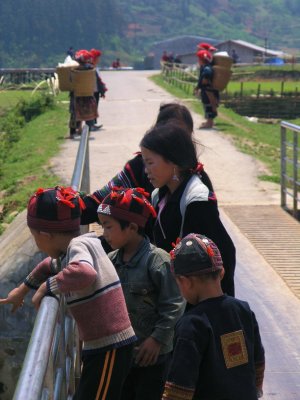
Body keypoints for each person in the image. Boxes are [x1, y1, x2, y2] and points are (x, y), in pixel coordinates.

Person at [0, 186, 137, 400]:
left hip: (110, 346)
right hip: (103, 346)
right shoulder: (77, 247)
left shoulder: (78, 247)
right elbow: (49, 265)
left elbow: (85, 272)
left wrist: (48, 286)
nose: (37, 244)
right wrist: (23, 289)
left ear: (45, 235)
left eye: (35, 237)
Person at [97, 187, 185, 400]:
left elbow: (174, 304)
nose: (104, 234)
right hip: (120, 355)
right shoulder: (110, 261)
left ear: (132, 227)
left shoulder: (158, 261)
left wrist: (157, 339)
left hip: (153, 357)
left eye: (108, 227)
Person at [162, 233, 265, 400]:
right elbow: (258, 361)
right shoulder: (243, 310)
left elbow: (179, 387)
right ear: (221, 272)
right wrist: (255, 390)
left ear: (185, 281)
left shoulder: (191, 325)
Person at [140, 122, 236, 296]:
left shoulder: (197, 201)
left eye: (150, 163)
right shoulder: (159, 195)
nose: (146, 171)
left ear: (173, 162)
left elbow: (215, 257)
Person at [80, 102, 197, 225]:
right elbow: (100, 203)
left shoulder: (196, 182)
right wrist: (66, 208)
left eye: (183, 137)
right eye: (172, 135)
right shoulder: (137, 168)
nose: (179, 143)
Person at [68, 49, 98, 138]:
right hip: (88, 95)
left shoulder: (73, 70)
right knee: (89, 114)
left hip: (76, 95)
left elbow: (70, 82)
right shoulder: (91, 69)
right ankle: (87, 131)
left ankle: (73, 132)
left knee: (74, 113)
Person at [194, 49, 219, 129]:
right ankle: (209, 121)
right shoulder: (206, 67)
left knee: (209, 105)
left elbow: (206, 75)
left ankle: (209, 123)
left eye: (199, 59)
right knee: (207, 105)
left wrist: (203, 81)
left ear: (202, 60)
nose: (198, 60)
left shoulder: (207, 68)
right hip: (207, 90)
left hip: (208, 90)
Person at [89, 48, 107, 131]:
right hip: (92, 91)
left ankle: (93, 123)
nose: (99, 60)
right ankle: (91, 124)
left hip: (96, 91)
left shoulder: (95, 68)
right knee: (92, 108)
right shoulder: (91, 68)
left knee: (95, 108)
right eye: (97, 58)